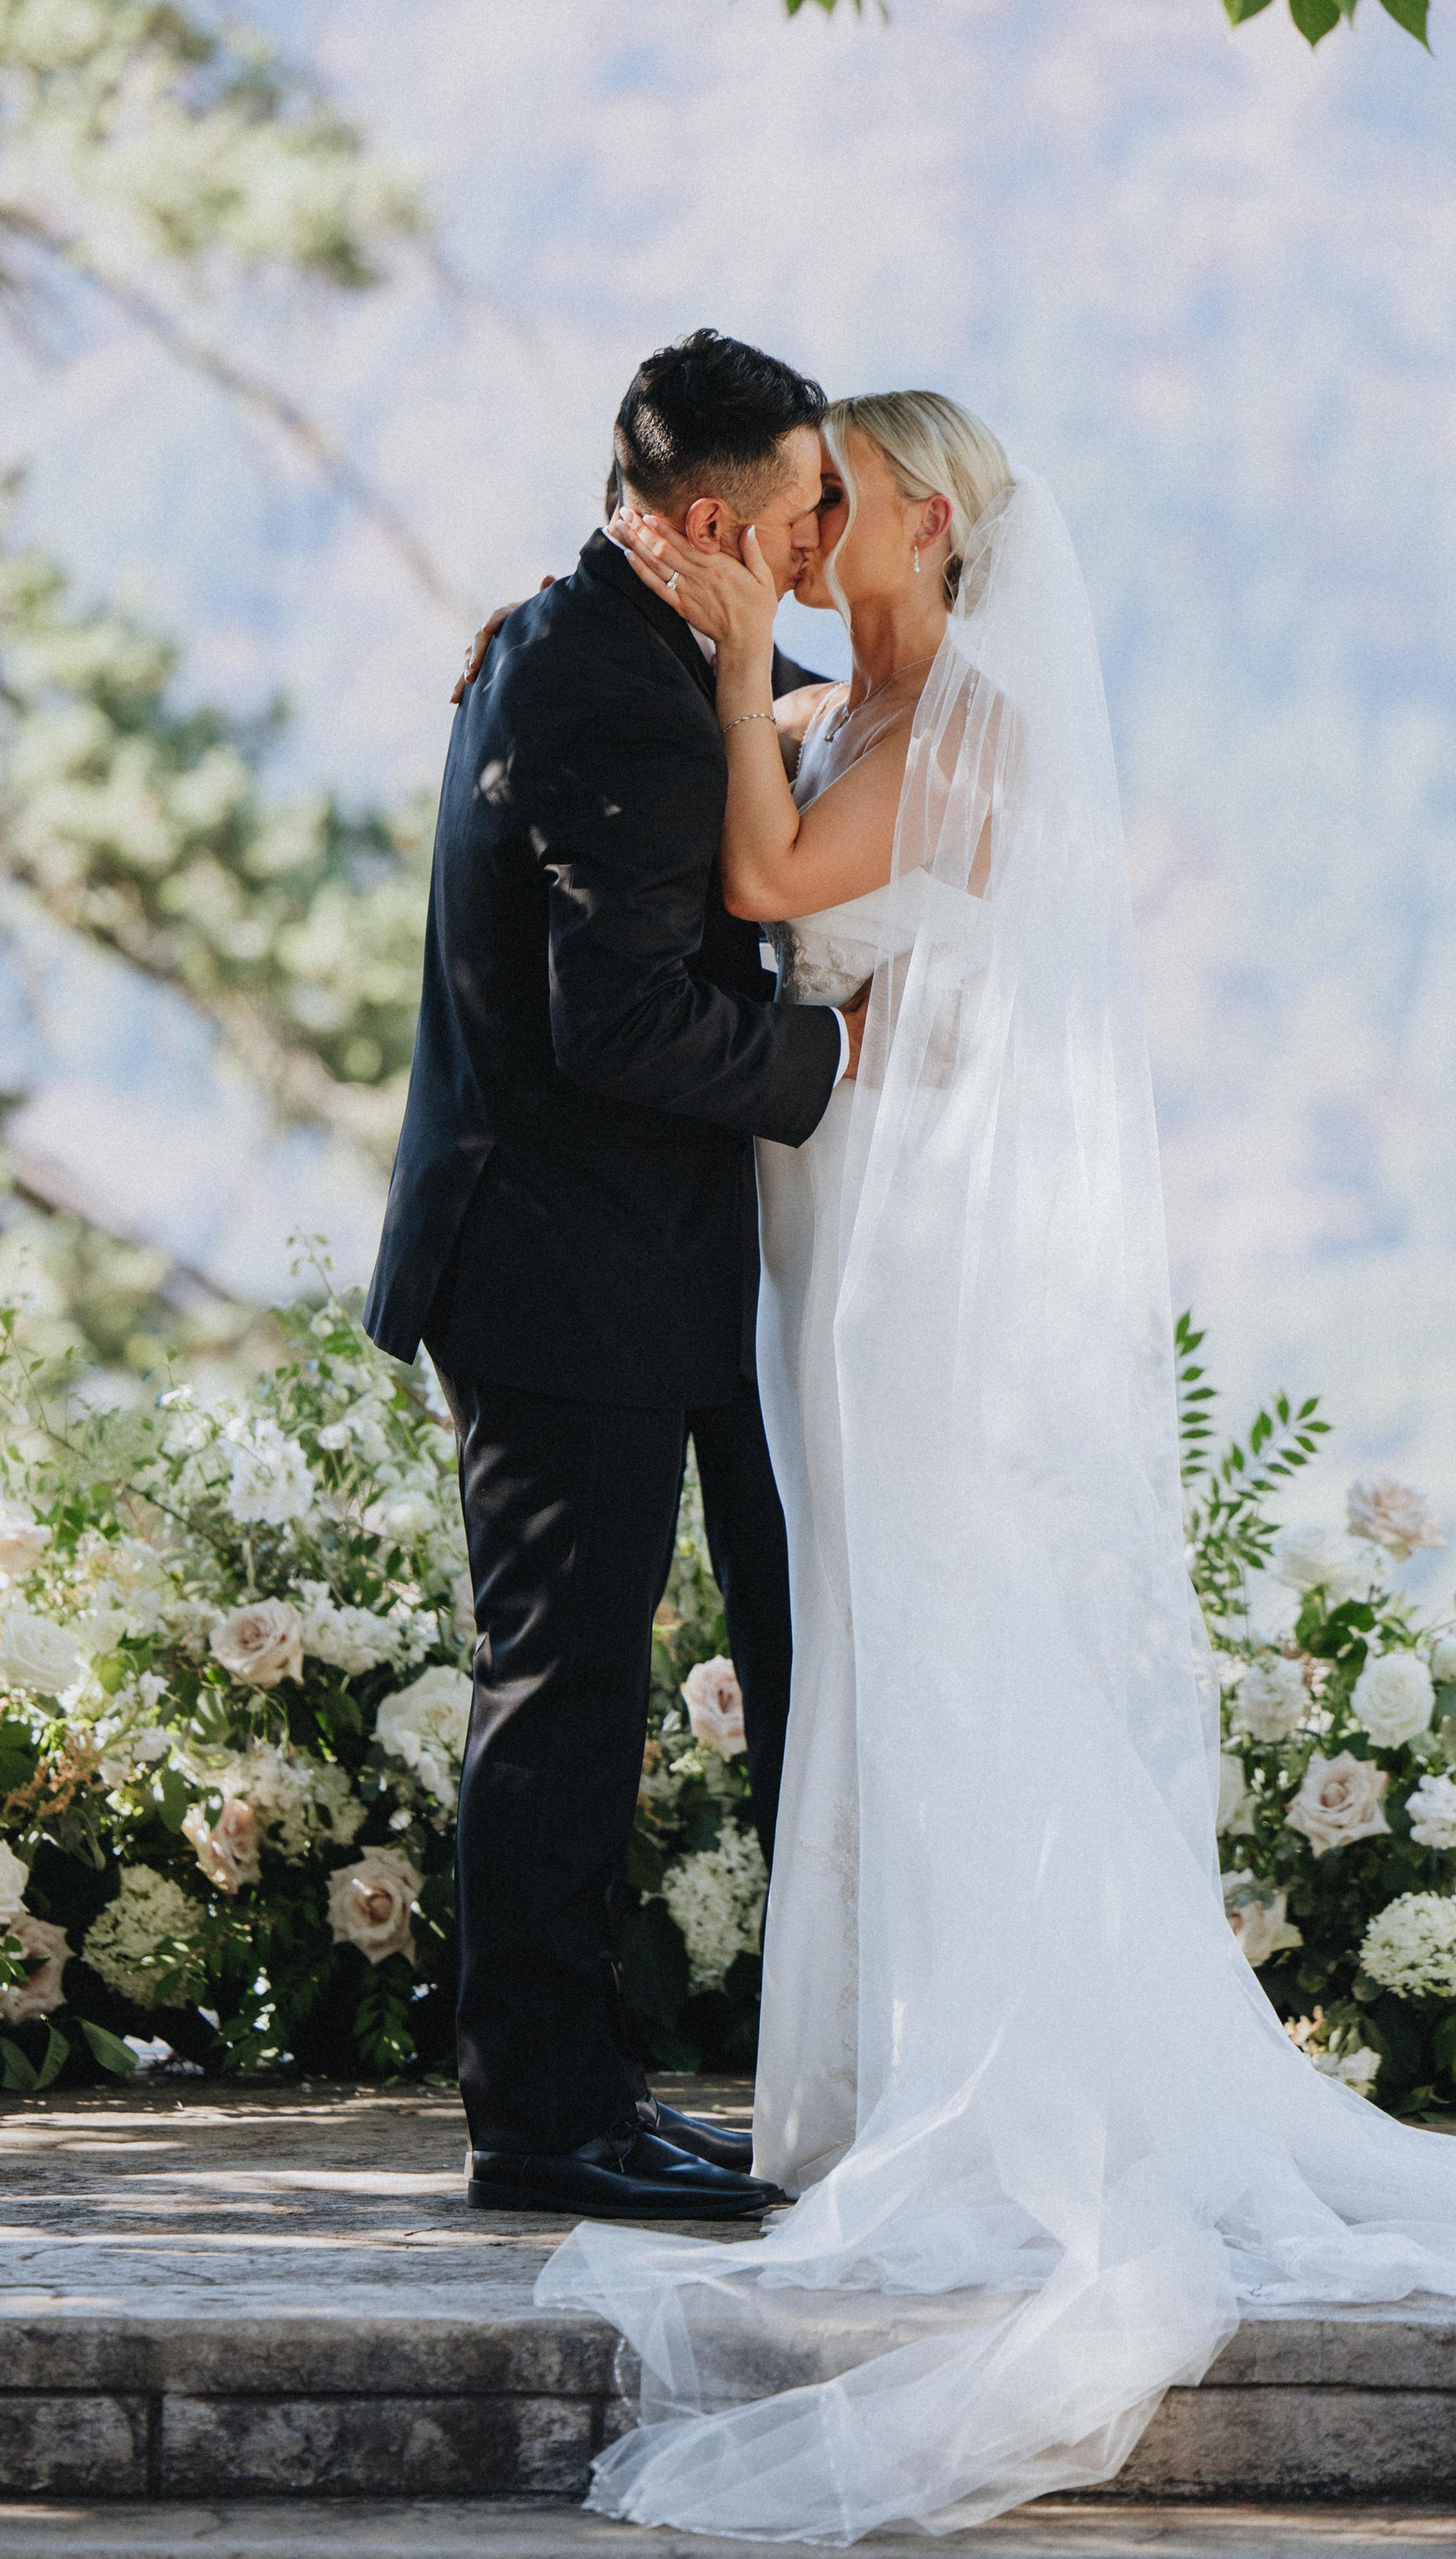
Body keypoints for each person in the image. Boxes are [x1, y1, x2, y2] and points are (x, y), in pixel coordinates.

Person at [538, 390, 1456, 2539]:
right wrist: (722, 662)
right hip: (819, 1229)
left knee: (938, 1617)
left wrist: (739, 653)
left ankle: (987, 2079)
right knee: (856, 1620)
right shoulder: (854, 705)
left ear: (929, 518)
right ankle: (869, 2076)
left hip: (909, 1251)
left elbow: (764, 878)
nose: (808, 524)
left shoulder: (968, 738)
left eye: (838, 495)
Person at [364, 329, 868, 2225]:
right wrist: (838, 1069)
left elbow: (748, 736)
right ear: (717, 521)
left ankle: (596, 2095)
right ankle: (547, 2121)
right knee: (561, 1692)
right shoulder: (599, 688)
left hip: (611, 1267)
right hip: (559, 1273)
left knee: (602, 1679)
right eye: (812, 503)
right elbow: (623, 1023)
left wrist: (844, 705)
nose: (827, 531)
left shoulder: (598, 641)